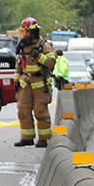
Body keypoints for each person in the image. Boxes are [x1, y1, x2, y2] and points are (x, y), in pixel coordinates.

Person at [14, 16, 56, 147]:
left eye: (25, 31)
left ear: (32, 32)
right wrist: (16, 80)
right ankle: (27, 137)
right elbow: (19, 65)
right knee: (23, 110)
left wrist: (38, 56)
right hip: (25, 83)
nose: (23, 34)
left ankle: (43, 139)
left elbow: (51, 63)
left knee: (40, 111)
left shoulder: (44, 45)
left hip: (40, 84)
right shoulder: (22, 46)